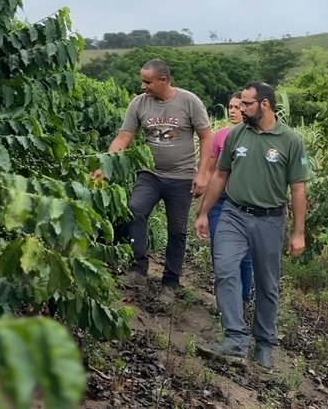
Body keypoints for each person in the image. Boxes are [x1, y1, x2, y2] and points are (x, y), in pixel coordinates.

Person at [194, 81, 308, 369]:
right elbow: (220, 175)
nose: (240, 108)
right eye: (240, 103)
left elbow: (297, 190)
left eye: (246, 104)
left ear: (264, 104)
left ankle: (265, 343)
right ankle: (234, 339)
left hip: (270, 220)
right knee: (225, 270)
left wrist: (298, 233)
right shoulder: (235, 136)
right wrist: (204, 213)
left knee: (267, 284)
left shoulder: (290, 141)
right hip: (233, 213)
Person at [94, 58, 212, 305]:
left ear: (163, 80)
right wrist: (105, 165)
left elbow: (206, 137)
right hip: (150, 173)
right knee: (135, 210)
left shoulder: (189, 102)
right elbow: (123, 137)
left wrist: (202, 174)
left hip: (181, 176)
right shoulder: (139, 104)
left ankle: (170, 282)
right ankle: (139, 269)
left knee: (177, 229)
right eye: (142, 80)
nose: (143, 86)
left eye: (147, 81)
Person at [204, 92, 253, 306]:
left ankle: (243, 300)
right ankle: (225, 302)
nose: (232, 110)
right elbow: (211, 171)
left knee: (245, 257)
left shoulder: (257, 137)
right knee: (221, 252)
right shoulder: (220, 136)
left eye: (237, 106)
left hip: (245, 201)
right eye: (230, 107)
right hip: (220, 199)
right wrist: (202, 208)